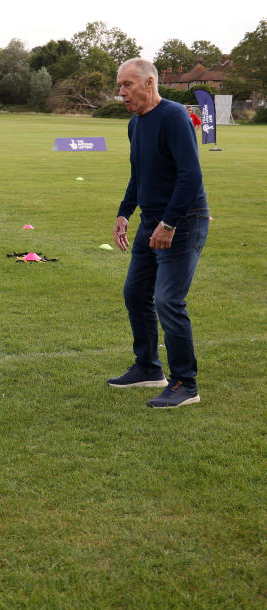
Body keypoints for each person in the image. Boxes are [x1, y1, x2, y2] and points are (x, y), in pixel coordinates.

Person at [109, 58, 209, 408]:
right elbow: (139, 175)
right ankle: (148, 367)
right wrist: (125, 212)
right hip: (151, 221)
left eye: (127, 85)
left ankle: (186, 383)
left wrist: (169, 223)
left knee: (168, 300)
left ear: (150, 83)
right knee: (136, 293)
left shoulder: (174, 116)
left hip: (183, 221)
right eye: (119, 85)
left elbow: (189, 175)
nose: (121, 92)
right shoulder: (135, 124)